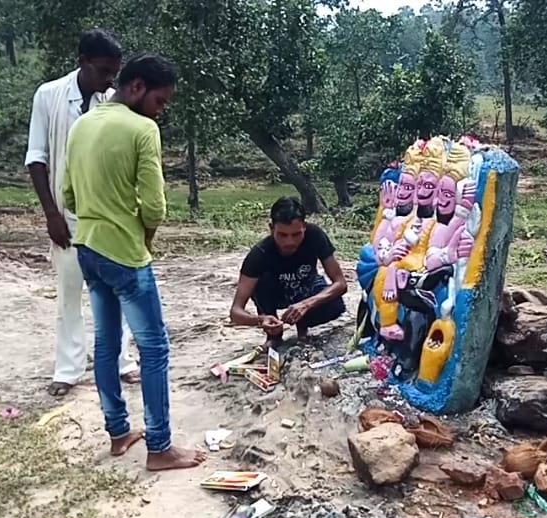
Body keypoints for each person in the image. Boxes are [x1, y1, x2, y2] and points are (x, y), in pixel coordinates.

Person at [62, 54, 206, 470]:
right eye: (160, 101)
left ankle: (118, 432)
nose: (161, 111)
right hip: (124, 254)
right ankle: (160, 447)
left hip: (87, 248)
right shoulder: (143, 129)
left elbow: (68, 194)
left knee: (106, 343)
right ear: (137, 87)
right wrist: (144, 235)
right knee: (154, 347)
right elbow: (155, 205)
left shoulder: (83, 124)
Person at [25, 29, 139, 397]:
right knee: (70, 292)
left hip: (107, 216)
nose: (109, 80)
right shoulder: (49, 95)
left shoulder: (113, 101)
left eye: (114, 73)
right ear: (83, 62)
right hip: (67, 215)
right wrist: (51, 215)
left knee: (115, 292)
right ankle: (68, 369)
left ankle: (122, 362)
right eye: (104, 71)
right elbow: (37, 159)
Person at [230, 197, 348, 349]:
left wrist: (306, 304)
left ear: (304, 227)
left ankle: (302, 326)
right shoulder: (259, 254)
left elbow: (340, 284)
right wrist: (260, 320)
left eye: (296, 234)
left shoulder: (315, 236)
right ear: (271, 228)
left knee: (336, 305)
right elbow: (235, 311)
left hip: (306, 289)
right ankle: (274, 336)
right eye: (283, 235)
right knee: (260, 285)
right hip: (275, 294)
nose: (289, 242)